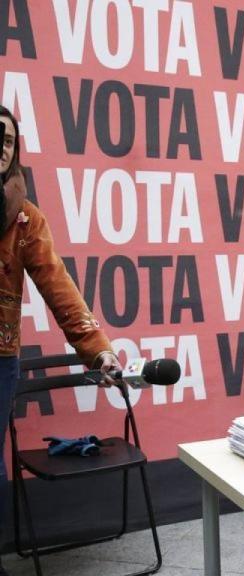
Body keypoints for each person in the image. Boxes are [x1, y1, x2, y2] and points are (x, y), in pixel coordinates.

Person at [0, 105, 122, 576]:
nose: (0, 146)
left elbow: (60, 289)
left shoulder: (25, 219)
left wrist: (99, 350)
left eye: (7, 140)